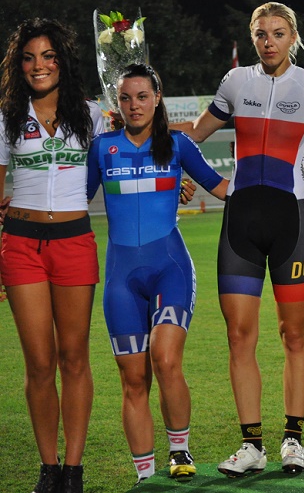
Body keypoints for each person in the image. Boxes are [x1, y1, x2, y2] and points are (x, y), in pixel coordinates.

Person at [177, 1, 304, 476]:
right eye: (261, 33)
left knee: (295, 335)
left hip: (294, 221)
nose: (269, 41)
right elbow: (194, 134)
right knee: (238, 335)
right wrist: (143, 129)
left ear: (293, 37)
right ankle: (251, 446)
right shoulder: (235, 82)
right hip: (241, 222)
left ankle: (293, 440)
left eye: (278, 33)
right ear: (252, 37)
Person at [86, 64, 229, 485]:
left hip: (170, 269)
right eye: (126, 98)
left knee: (165, 360)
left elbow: (222, 187)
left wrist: (287, 191)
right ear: (116, 102)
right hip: (121, 279)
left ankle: (180, 449)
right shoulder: (102, 148)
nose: (134, 105)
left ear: (157, 97)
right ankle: (145, 476)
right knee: (133, 380)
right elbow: (73, 201)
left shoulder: (178, 145)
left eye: (142, 96)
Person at [0, 18, 105, 493]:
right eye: (28, 57)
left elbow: (130, 155)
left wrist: (174, 180)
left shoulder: (93, 115)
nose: (37, 65)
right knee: (39, 363)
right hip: (21, 245)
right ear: (18, 65)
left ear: (62, 60)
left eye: (47, 56)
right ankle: (48, 467)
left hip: (74, 242)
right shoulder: (6, 116)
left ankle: (74, 470)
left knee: (74, 359)